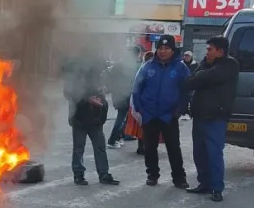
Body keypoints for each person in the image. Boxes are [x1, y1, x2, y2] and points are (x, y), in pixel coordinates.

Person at [130, 35, 190, 188]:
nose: (163, 51)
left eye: (167, 48)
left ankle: (179, 178)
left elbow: (187, 91)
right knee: (150, 148)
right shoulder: (147, 67)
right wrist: (140, 109)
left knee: (173, 148)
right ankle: (152, 174)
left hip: (169, 115)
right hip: (149, 115)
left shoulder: (180, 68)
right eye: (160, 48)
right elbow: (137, 88)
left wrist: (180, 109)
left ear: (173, 50)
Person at [186, 36, 240, 203]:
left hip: (216, 117)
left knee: (214, 153)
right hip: (199, 115)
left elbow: (209, 77)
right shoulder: (205, 63)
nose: (207, 52)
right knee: (199, 152)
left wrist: (201, 75)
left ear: (220, 51)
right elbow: (191, 81)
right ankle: (204, 183)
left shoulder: (230, 64)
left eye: (210, 49)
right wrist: (202, 72)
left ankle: (217, 188)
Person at [63, 44, 119, 186]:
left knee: (100, 147)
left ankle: (104, 174)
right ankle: (78, 174)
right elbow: (68, 92)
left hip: (96, 117)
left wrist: (104, 91)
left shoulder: (100, 70)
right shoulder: (75, 70)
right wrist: (87, 99)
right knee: (79, 148)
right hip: (79, 116)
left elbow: (105, 88)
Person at [108, 46, 142, 148]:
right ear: (137, 54)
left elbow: (111, 77)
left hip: (118, 94)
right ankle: (112, 140)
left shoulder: (120, 63)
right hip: (125, 94)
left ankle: (119, 137)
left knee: (124, 117)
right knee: (121, 118)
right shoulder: (131, 65)